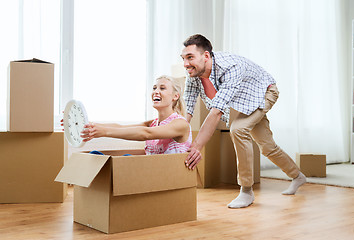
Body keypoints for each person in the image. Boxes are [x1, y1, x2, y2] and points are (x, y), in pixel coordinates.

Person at [181, 34, 306, 208]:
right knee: (267, 146)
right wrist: (179, 135)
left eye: (190, 57)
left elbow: (216, 112)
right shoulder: (194, 73)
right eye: (183, 58)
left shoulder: (230, 66)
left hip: (264, 92)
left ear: (206, 56)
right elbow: (188, 107)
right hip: (244, 101)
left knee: (238, 129)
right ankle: (298, 176)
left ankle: (246, 191)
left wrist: (196, 148)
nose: (186, 64)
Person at [79, 75, 192, 155]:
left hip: (167, 176)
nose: (156, 91)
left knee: (126, 159)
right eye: (154, 88)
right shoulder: (153, 123)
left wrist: (104, 132)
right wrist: (89, 126)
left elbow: (146, 133)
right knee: (94, 155)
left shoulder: (180, 124)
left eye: (162, 88)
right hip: (153, 173)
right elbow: (121, 127)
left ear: (175, 96)